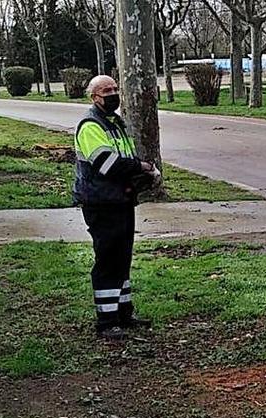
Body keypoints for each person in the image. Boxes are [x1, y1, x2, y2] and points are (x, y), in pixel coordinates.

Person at [73, 75, 161, 339]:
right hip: (101, 203)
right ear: (94, 97)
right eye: (106, 91)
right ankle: (107, 321)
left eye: (114, 89)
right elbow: (108, 165)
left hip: (120, 200)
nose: (112, 94)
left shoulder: (115, 124)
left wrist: (139, 176)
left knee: (122, 259)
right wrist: (142, 167)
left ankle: (124, 313)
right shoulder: (90, 126)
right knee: (108, 259)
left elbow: (125, 159)